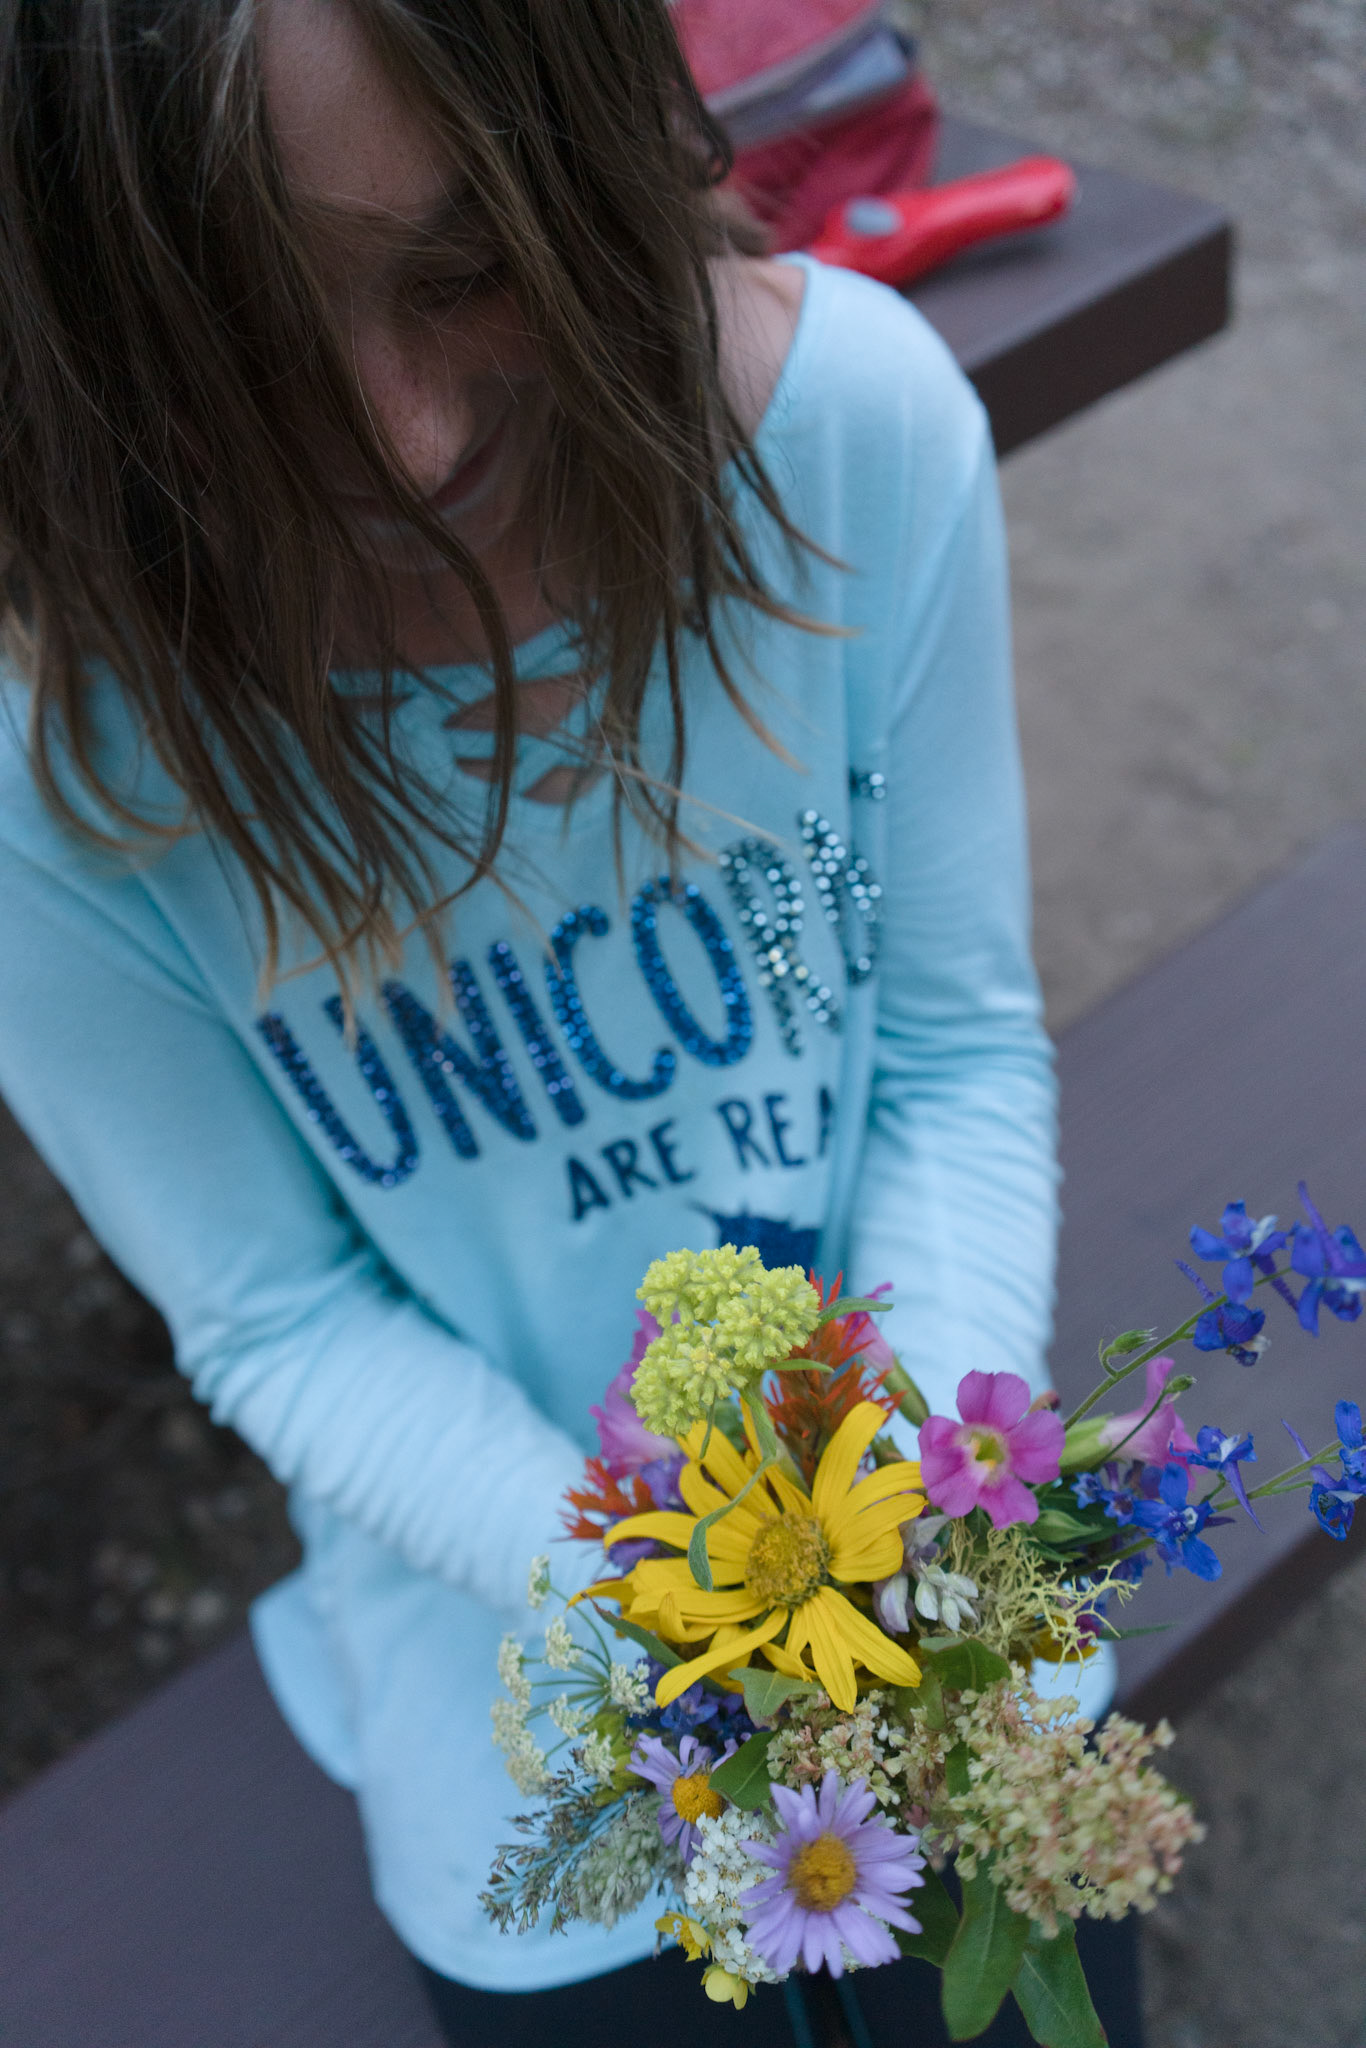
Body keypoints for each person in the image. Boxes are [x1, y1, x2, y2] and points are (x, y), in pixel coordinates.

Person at [0, 2, 1129, 2043]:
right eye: (231, 346)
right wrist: (682, 1614)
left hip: (926, 1576)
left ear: (594, 145)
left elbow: (950, 1054)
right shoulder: (58, 764)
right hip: (528, 1699)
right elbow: (277, 1313)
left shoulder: (850, 442)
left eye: (461, 263)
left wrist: (899, 1536)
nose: (406, 442)